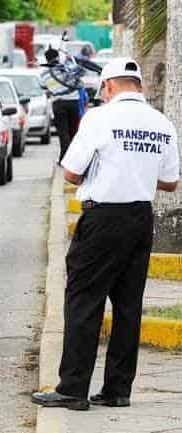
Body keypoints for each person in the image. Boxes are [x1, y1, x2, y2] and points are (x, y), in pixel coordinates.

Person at [32, 58, 180, 411]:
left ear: (109, 86)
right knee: (129, 305)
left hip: (103, 219)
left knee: (84, 300)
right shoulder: (162, 122)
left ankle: (73, 389)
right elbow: (171, 182)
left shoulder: (100, 118)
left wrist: (108, 172)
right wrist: (136, 172)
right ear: (139, 86)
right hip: (141, 218)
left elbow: (70, 173)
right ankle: (117, 390)